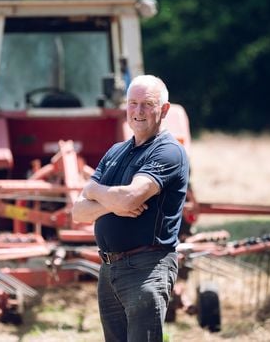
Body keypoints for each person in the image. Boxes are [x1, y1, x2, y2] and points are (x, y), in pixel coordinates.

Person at [72, 74, 189, 342]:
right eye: (132, 103)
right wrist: (110, 203)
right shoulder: (115, 152)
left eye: (147, 104)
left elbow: (129, 199)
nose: (138, 111)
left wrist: (94, 192)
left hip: (146, 268)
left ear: (165, 109)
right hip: (109, 269)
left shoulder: (168, 152)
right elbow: (78, 212)